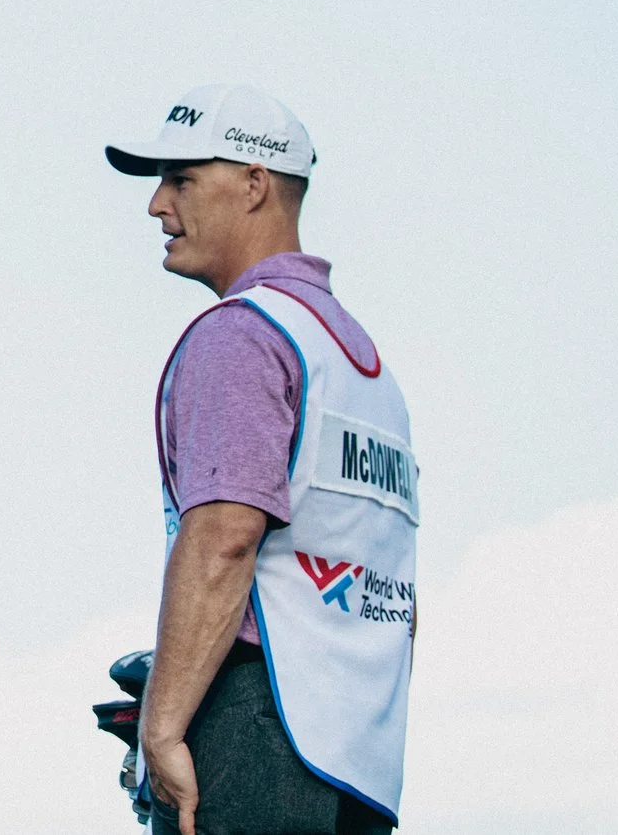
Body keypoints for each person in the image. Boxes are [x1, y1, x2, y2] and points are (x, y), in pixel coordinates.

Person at [106, 85, 417, 835]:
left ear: (254, 183)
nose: (156, 204)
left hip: (256, 730)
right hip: (359, 758)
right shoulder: (361, 364)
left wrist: (164, 723)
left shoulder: (241, 335)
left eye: (180, 179)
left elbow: (225, 537)